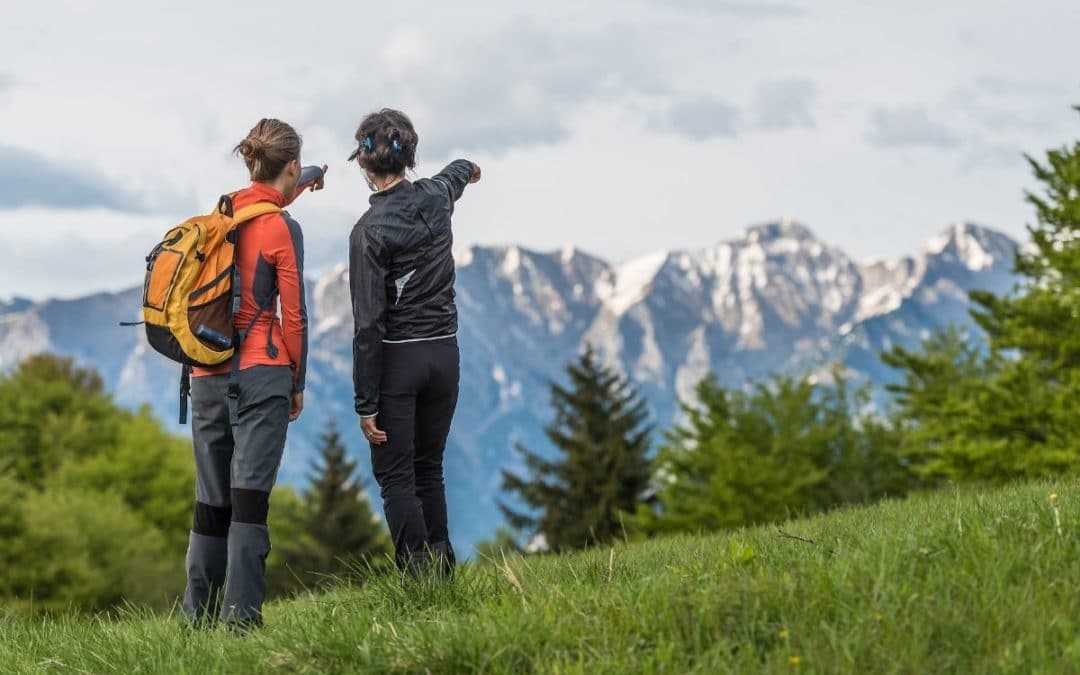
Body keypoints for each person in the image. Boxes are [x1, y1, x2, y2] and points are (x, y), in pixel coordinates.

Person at [182, 118, 323, 628]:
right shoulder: (282, 228)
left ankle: (196, 619)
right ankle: (240, 623)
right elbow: (295, 314)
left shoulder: (222, 214)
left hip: (203, 373)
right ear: (288, 165)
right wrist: (297, 381)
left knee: (210, 503)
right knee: (248, 503)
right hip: (261, 374)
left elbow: (268, 200)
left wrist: (303, 180)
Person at [348, 108, 480, 576]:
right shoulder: (438, 195)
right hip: (445, 353)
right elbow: (459, 171)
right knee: (431, 467)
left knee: (396, 477)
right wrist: (472, 170)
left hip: (399, 362)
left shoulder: (368, 232)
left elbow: (368, 325)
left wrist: (366, 402)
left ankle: (418, 579)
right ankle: (444, 572)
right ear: (409, 156)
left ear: (365, 165)